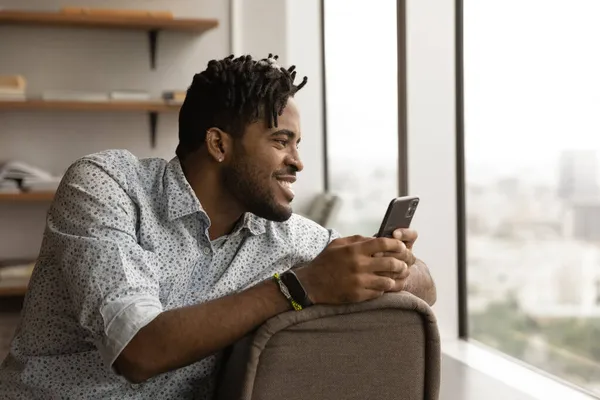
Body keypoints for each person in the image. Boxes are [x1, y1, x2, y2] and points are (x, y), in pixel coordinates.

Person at [0, 54, 436, 399]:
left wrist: (393, 264)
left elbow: (425, 288)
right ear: (218, 144)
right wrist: (297, 288)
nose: (298, 162)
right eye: (280, 141)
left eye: (297, 144)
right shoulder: (107, 185)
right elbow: (137, 350)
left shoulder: (282, 235)